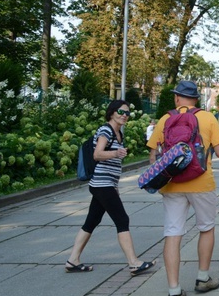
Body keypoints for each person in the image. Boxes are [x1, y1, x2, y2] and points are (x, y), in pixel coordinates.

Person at [146, 81, 219, 296]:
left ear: (176, 98)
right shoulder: (208, 118)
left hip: (172, 185)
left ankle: (174, 290)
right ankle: (203, 278)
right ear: (196, 99)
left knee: (173, 234)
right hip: (201, 182)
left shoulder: (164, 119)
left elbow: (153, 156)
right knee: (206, 228)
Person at [66, 100, 156, 276]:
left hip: (106, 185)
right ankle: (133, 263)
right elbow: (97, 154)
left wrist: (115, 186)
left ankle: (73, 260)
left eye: (127, 113)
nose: (124, 116)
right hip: (101, 184)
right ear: (112, 112)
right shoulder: (106, 130)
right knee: (122, 220)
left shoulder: (118, 133)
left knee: (91, 222)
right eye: (121, 112)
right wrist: (116, 153)